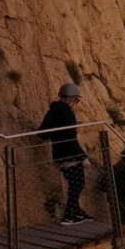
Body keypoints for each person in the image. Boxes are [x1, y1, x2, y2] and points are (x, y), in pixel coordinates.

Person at [38, 83, 92, 226]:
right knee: (77, 184)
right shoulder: (68, 113)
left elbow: (42, 134)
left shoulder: (52, 111)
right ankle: (69, 215)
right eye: (76, 100)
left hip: (58, 154)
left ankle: (76, 210)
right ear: (72, 99)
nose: (76, 103)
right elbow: (71, 139)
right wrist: (83, 157)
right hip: (71, 155)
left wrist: (56, 135)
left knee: (75, 184)